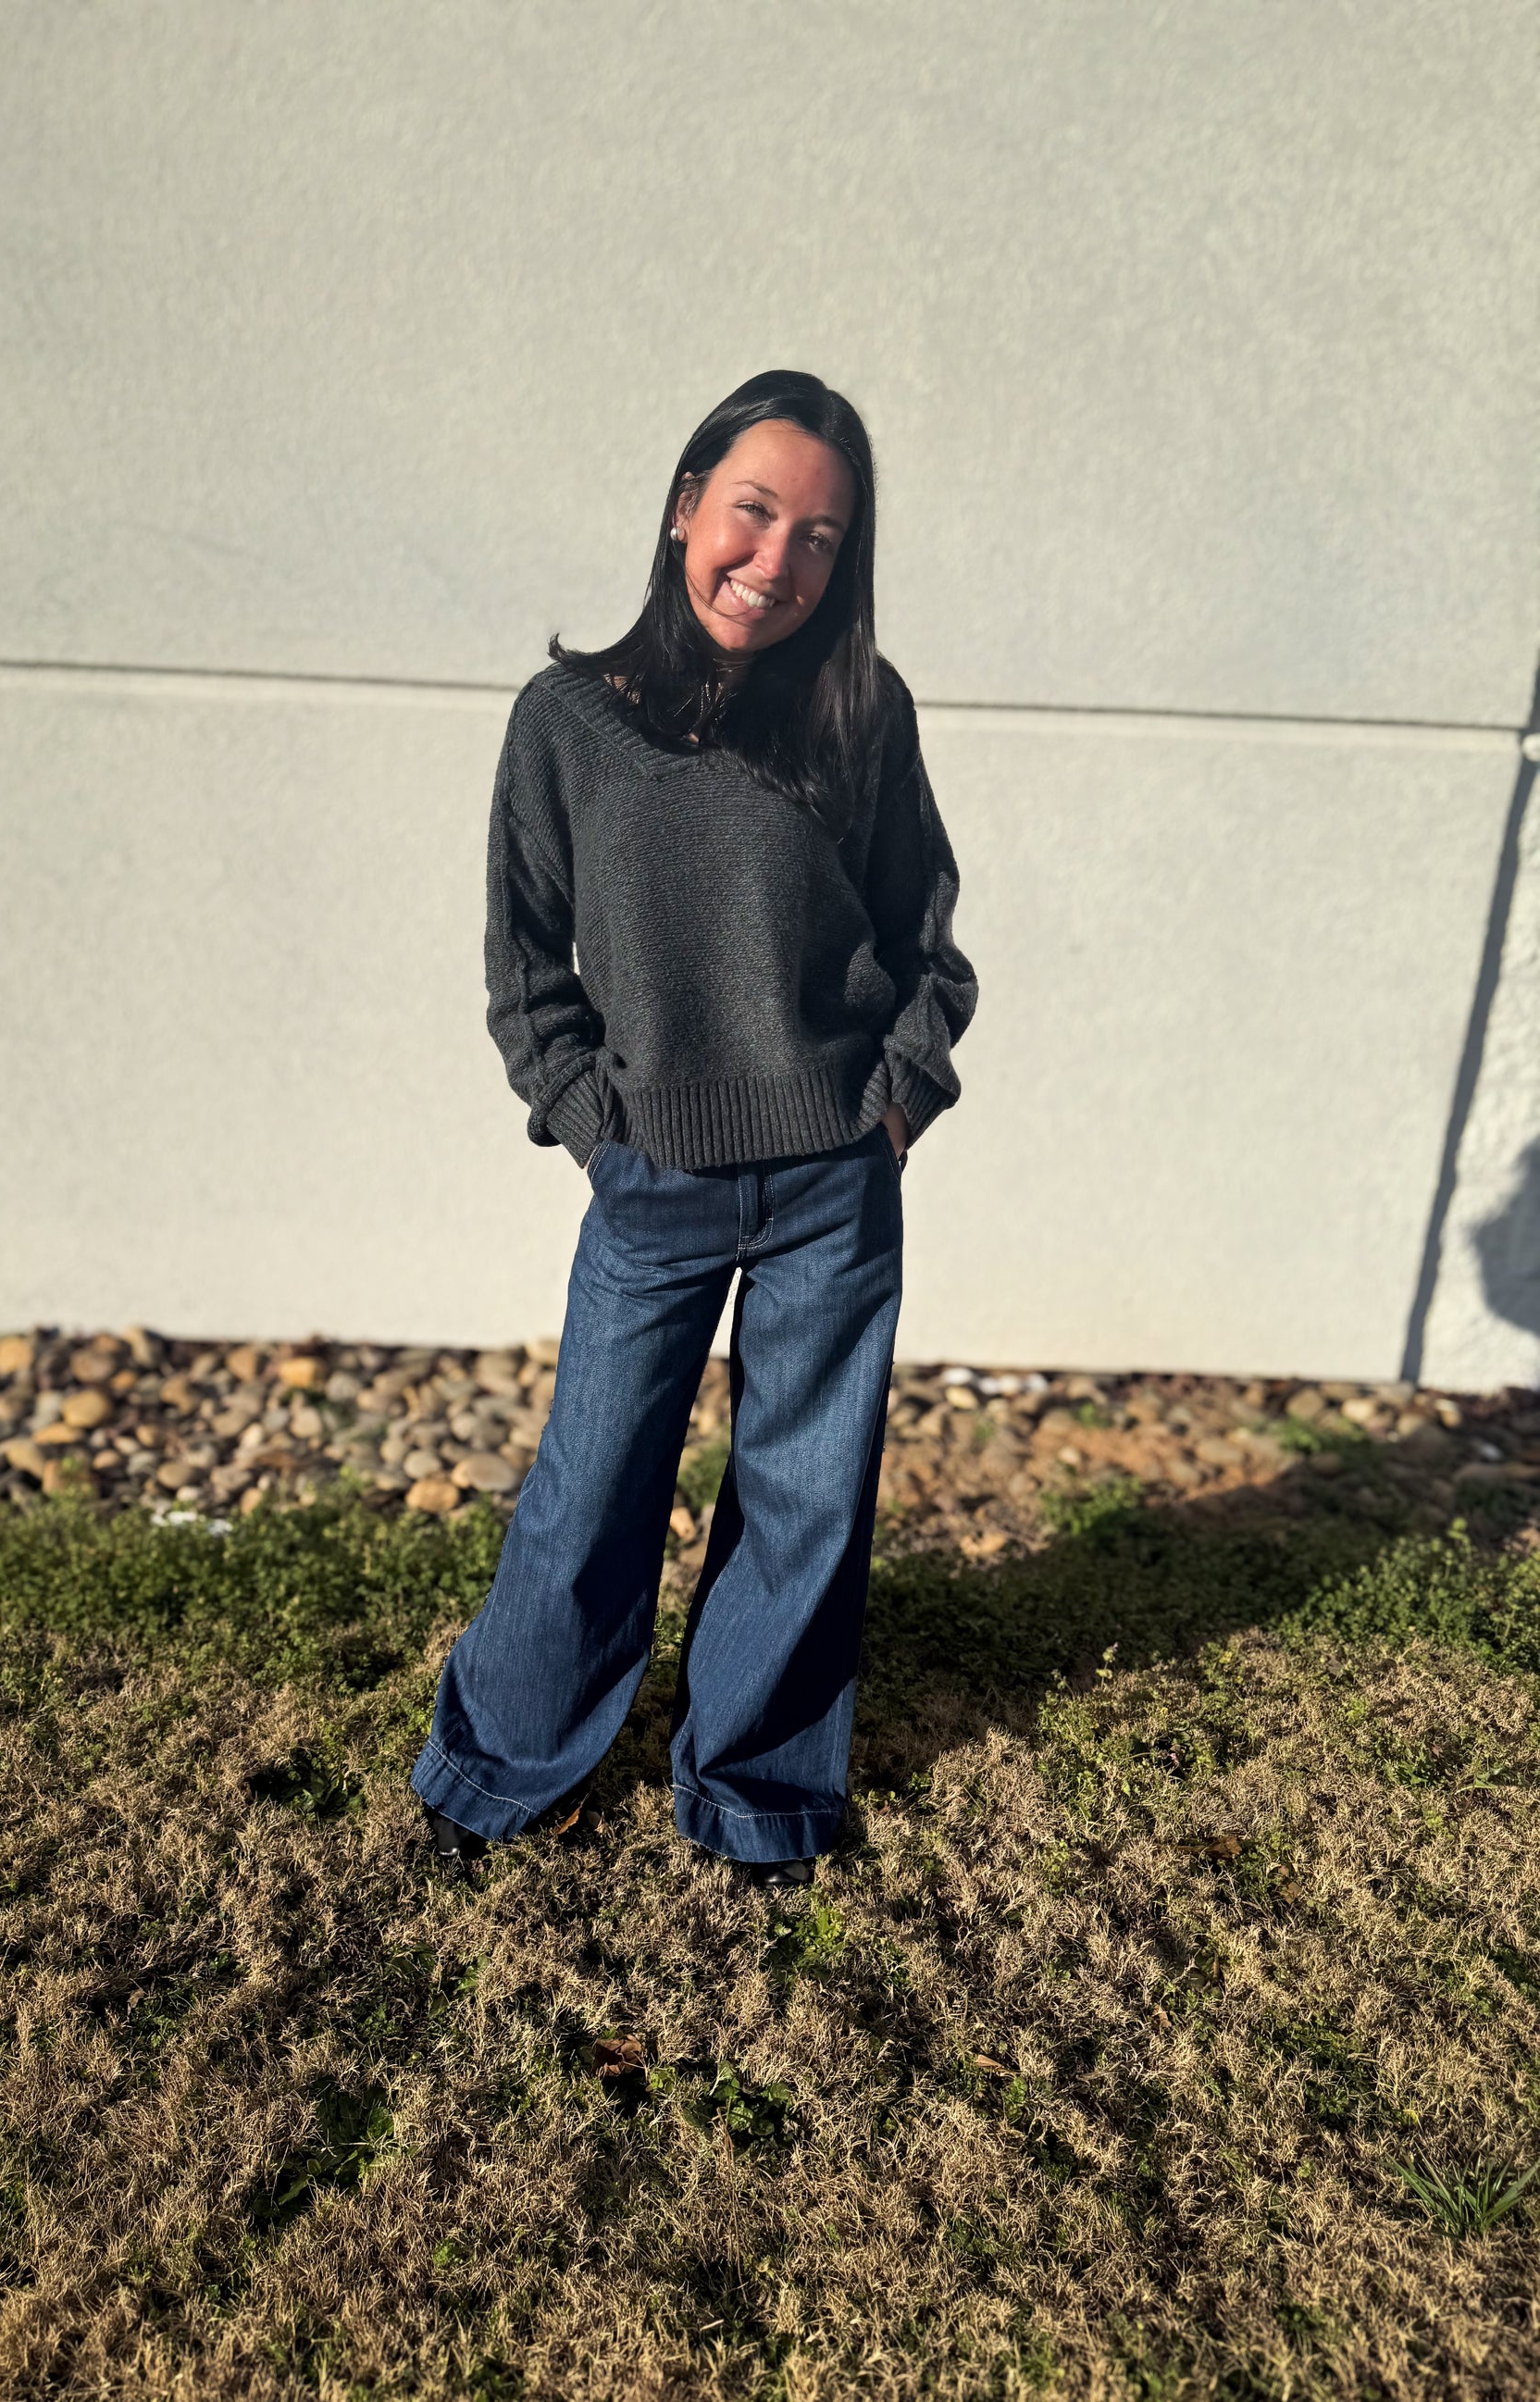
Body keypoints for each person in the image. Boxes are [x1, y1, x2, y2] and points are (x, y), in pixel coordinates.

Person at [410, 368, 977, 1890]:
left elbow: (926, 938)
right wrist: (593, 1127)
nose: (776, 561)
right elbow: (523, 964)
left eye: (819, 538)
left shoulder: (860, 710)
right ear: (682, 508)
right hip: (651, 1176)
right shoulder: (568, 725)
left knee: (804, 1498)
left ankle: (755, 1792)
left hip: (831, 1177)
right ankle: (498, 1765)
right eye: (753, 511)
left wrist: (892, 1107)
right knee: (590, 1482)